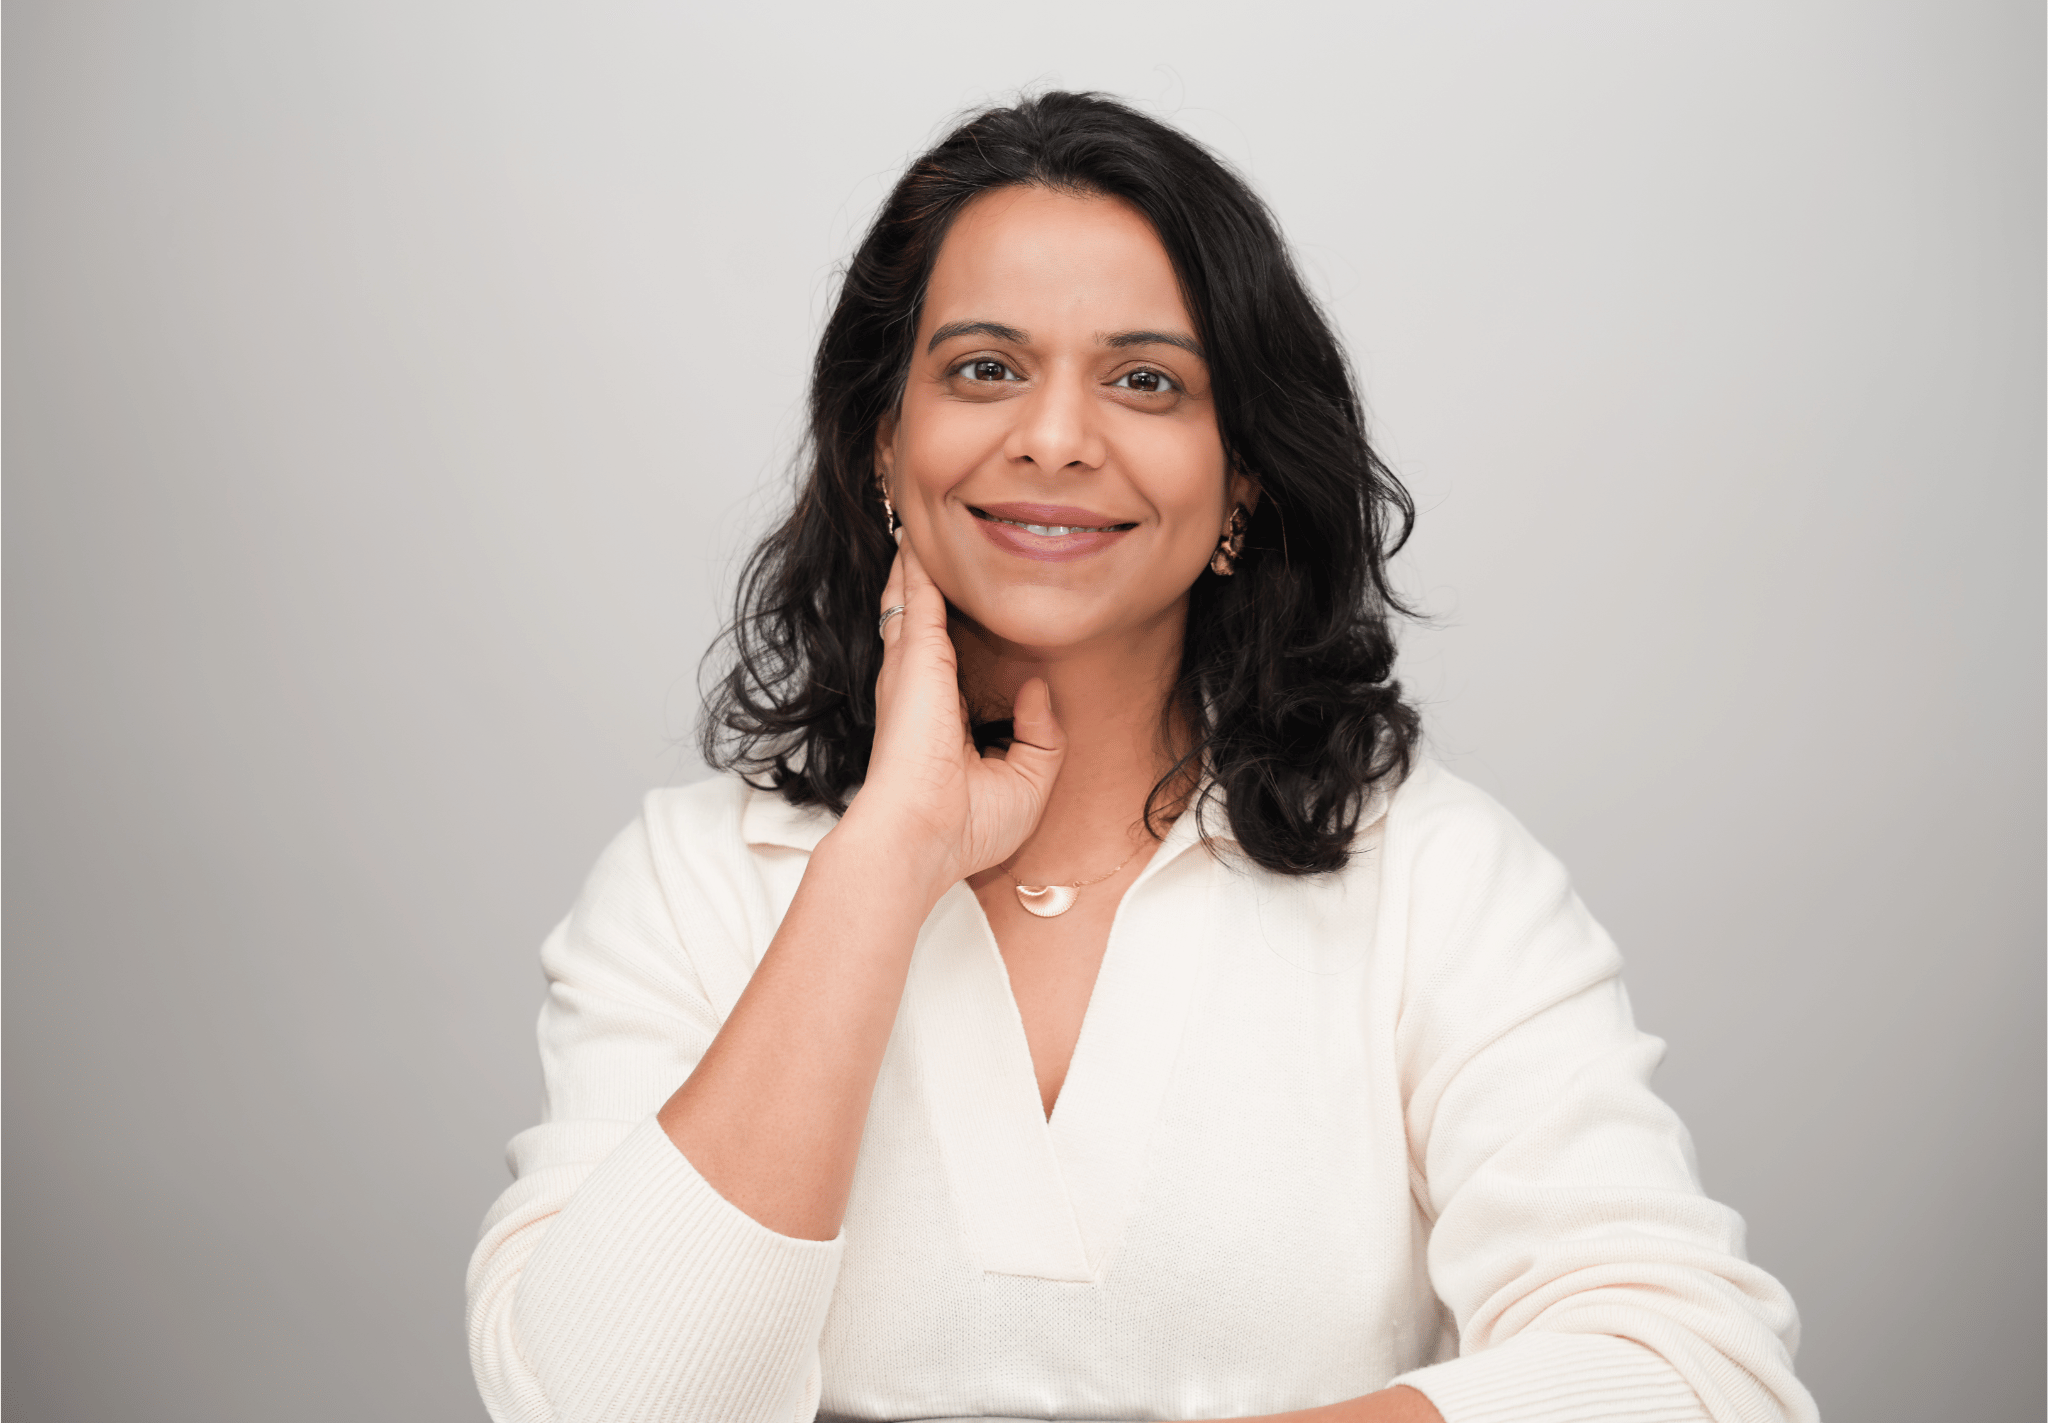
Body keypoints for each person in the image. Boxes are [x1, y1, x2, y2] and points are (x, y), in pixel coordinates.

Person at [465, 92, 1816, 1423]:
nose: (1054, 436)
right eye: (984, 367)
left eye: (1146, 380)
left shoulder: (1434, 879)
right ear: (886, 442)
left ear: (1242, 478)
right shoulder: (694, 879)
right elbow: (596, 1402)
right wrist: (883, 861)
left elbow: (1695, 1373)